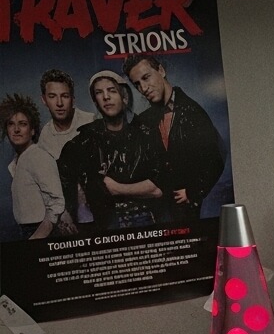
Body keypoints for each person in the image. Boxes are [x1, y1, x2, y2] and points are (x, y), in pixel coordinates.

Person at [123, 54, 225, 221]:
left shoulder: (191, 111)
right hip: (157, 206)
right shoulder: (143, 120)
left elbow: (217, 156)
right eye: (137, 84)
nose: (144, 88)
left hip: (183, 209)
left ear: (161, 71)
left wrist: (194, 191)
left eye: (146, 77)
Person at [57, 71, 164, 231]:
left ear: (124, 97)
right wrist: (65, 212)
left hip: (146, 220)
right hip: (106, 224)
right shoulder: (86, 140)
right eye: (99, 93)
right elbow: (62, 174)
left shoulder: (144, 134)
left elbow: (158, 188)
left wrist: (115, 188)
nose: (106, 97)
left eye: (111, 91)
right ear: (96, 101)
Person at [36, 69, 95, 231]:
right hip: (69, 216)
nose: (59, 103)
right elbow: (47, 186)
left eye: (65, 96)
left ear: (73, 99)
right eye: (52, 96)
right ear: (44, 100)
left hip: (100, 210)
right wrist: (62, 214)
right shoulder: (44, 139)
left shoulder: (91, 121)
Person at [1, 92, 65, 239]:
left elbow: (57, 203)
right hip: (25, 231)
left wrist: (36, 239)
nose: (16, 129)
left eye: (22, 124)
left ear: (32, 130)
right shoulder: (18, 161)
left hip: (41, 232)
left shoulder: (38, 156)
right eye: (11, 124)